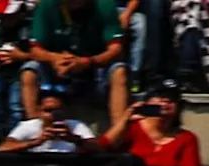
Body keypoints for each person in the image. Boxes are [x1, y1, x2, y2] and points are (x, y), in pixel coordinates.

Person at [24, 0, 132, 129]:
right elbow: (35, 50)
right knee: (29, 73)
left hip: (95, 67)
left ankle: (117, 133)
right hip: (58, 66)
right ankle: (32, 131)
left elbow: (116, 49)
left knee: (119, 71)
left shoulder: (104, 4)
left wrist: (87, 62)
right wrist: (54, 58)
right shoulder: (46, 5)